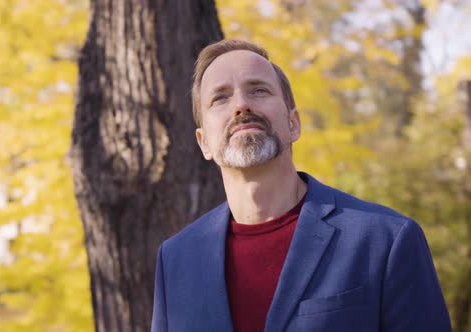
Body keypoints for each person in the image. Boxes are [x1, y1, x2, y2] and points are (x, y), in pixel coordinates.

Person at [150, 39, 452, 332]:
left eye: (258, 90)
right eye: (220, 98)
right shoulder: (175, 260)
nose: (241, 105)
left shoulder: (386, 239)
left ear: (293, 124)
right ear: (203, 143)